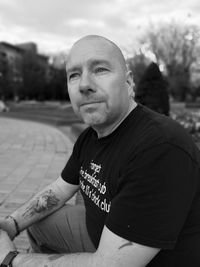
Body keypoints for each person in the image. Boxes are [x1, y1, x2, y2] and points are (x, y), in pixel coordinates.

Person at [0, 35, 200, 267]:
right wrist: (12, 223)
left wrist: (10, 260)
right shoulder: (91, 135)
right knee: (37, 221)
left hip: (137, 259)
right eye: (74, 75)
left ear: (129, 83)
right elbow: (59, 189)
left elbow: (110, 264)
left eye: (100, 69)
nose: (84, 84)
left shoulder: (160, 147)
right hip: (102, 234)